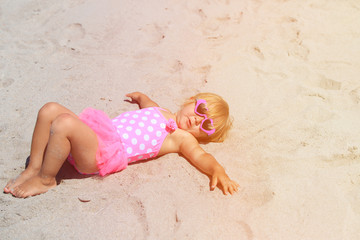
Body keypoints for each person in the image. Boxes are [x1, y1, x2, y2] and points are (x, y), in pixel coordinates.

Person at [4, 92, 239, 198]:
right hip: (95, 134)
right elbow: (149, 104)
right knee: (50, 109)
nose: (198, 119)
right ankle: (33, 168)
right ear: (190, 101)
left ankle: (46, 180)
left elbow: (200, 156)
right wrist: (140, 98)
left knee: (64, 122)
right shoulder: (161, 111)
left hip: (102, 153)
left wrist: (218, 170)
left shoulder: (181, 137)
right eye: (200, 110)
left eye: (205, 125)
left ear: (202, 136)